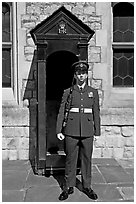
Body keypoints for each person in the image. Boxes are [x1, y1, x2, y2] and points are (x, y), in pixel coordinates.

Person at [56, 60, 101, 201]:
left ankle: (87, 186)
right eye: (79, 73)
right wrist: (59, 130)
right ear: (75, 76)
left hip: (88, 130)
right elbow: (62, 111)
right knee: (70, 159)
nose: (81, 76)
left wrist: (97, 132)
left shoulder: (93, 92)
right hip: (71, 130)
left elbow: (96, 112)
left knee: (87, 159)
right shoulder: (68, 92)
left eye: (84, 73)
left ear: (87, 75)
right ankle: (68, 186)